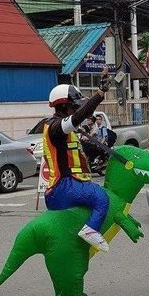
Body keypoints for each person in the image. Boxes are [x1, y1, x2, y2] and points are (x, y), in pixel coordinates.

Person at [43, 69, 111, 252]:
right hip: (63, 187)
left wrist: (101, 92)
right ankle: (90, 231)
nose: (77, 110)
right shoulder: (56, 127)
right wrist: (99, 94)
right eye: (74, 106)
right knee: (101, 198)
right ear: (63, 107)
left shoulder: (63, 128)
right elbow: (79, 116)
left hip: (64, 186)